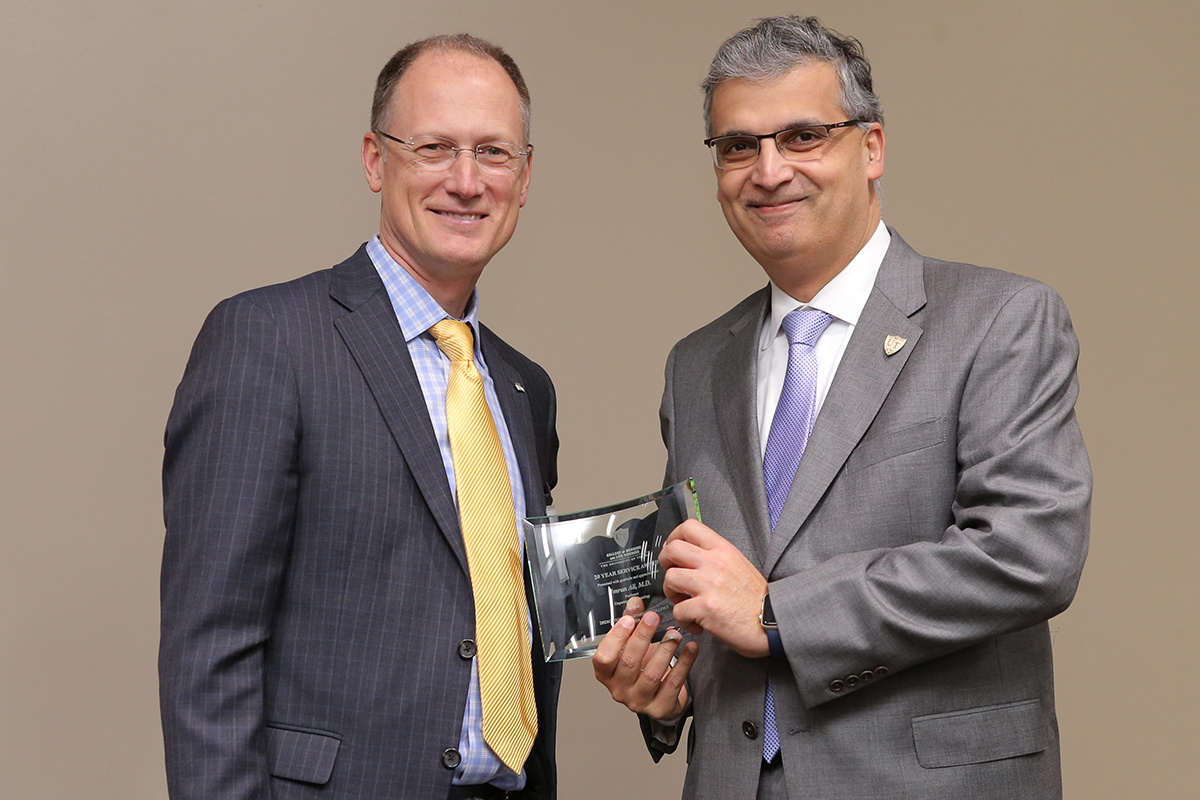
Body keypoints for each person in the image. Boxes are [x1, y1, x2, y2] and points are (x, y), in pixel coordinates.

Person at [594, 16, 1090, 800]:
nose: (768, 171)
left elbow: (1027, 553)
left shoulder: (999, 320)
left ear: (872, 147)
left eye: (802, 136)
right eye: (738, 146)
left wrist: (779, 612)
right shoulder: (696, 365)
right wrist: (665, 691)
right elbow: (707, 600)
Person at [160, 34, 561, 800]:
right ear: (376, 159)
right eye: (435, 147)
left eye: (494, 153)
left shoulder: (522, 389)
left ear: (526, 174)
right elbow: (208, 650)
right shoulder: (267, 340)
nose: (467, 181)